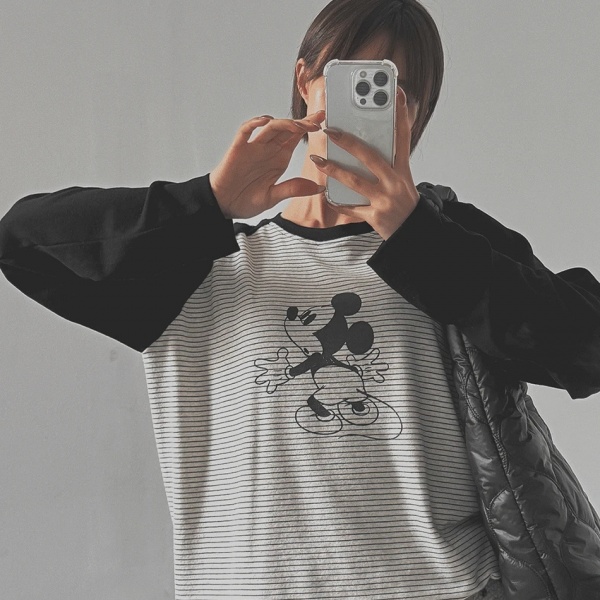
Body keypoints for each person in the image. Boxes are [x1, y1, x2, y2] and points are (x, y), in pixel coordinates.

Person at [1, 0, 599, 598]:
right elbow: (21, 243)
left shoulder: (451, 244)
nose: (375, 102)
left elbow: (588, 348)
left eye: (401, 90)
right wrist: (208, 204)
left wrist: (418, 235)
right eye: (354, 78)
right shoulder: (200, 261)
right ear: (305, 81)